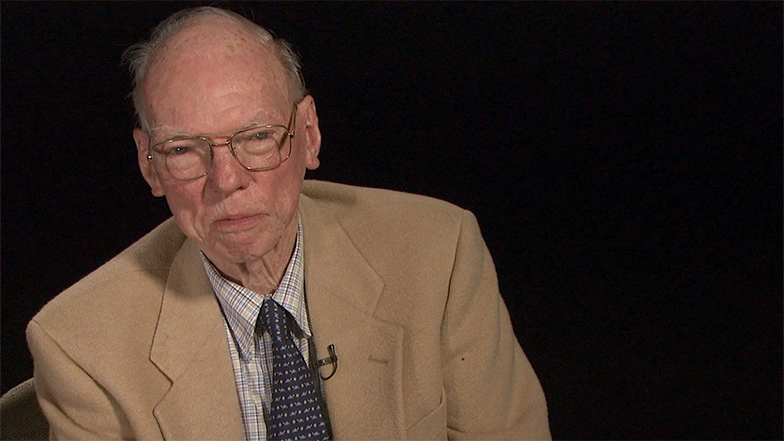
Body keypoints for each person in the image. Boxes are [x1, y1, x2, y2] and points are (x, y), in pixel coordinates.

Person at [26, 6, 550, 440]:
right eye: (184, 149)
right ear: (149, 164)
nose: (226, 180)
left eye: (257, 137)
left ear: (309, 134)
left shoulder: (441, 252)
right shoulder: (78, 345)